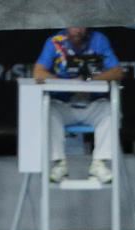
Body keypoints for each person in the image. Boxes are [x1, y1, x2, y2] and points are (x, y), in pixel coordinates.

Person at [32, 27, 123, 184]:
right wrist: (68, 84)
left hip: (92, 104)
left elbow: (117, 71)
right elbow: (38, 73)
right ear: (66, 26)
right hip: (64, 105)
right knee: (48, 110)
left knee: (110, 110)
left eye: (81, 25)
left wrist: (88, 82)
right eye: (73, 25)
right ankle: (59, 164)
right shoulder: (55, 41)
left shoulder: (98, 40)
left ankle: (99, 163)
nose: (77, 30)